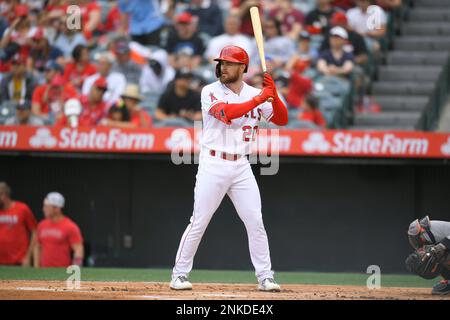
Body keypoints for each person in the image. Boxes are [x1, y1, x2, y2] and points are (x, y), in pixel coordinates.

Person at [170, 45, 288, 292]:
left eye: (230, 63)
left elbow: (281, 119)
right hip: (213, 163)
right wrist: (259, 98)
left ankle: (265, 277)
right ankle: (179, 275)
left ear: (242, 67)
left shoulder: (257, 92)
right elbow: (227, 114)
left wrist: (274, 95)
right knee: (199, 221)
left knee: (255, 221)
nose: (223, 67)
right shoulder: (210, 91)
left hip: (241, 165)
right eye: (222, 63)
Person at [34, 192, 84, 268]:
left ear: (57, 208)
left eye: (47, 207)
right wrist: (36, 267)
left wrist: (75, 271)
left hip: (62, 272)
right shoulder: (41, 225)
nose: (43, 209)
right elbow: (37, 247)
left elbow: (78, 249)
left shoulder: (70, 226)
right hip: (43, 273)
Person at [406, 216, 450, 295]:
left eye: (415, 238)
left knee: (439, 253)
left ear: (421, 231)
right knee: (436, 255)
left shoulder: (431, 231)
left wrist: (442, 245)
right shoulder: (429, 233)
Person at [0, 182, 37, 266]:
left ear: (4, 195)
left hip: (19, 261)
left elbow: (35, 231)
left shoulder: (22, 208)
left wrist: (28, 256)